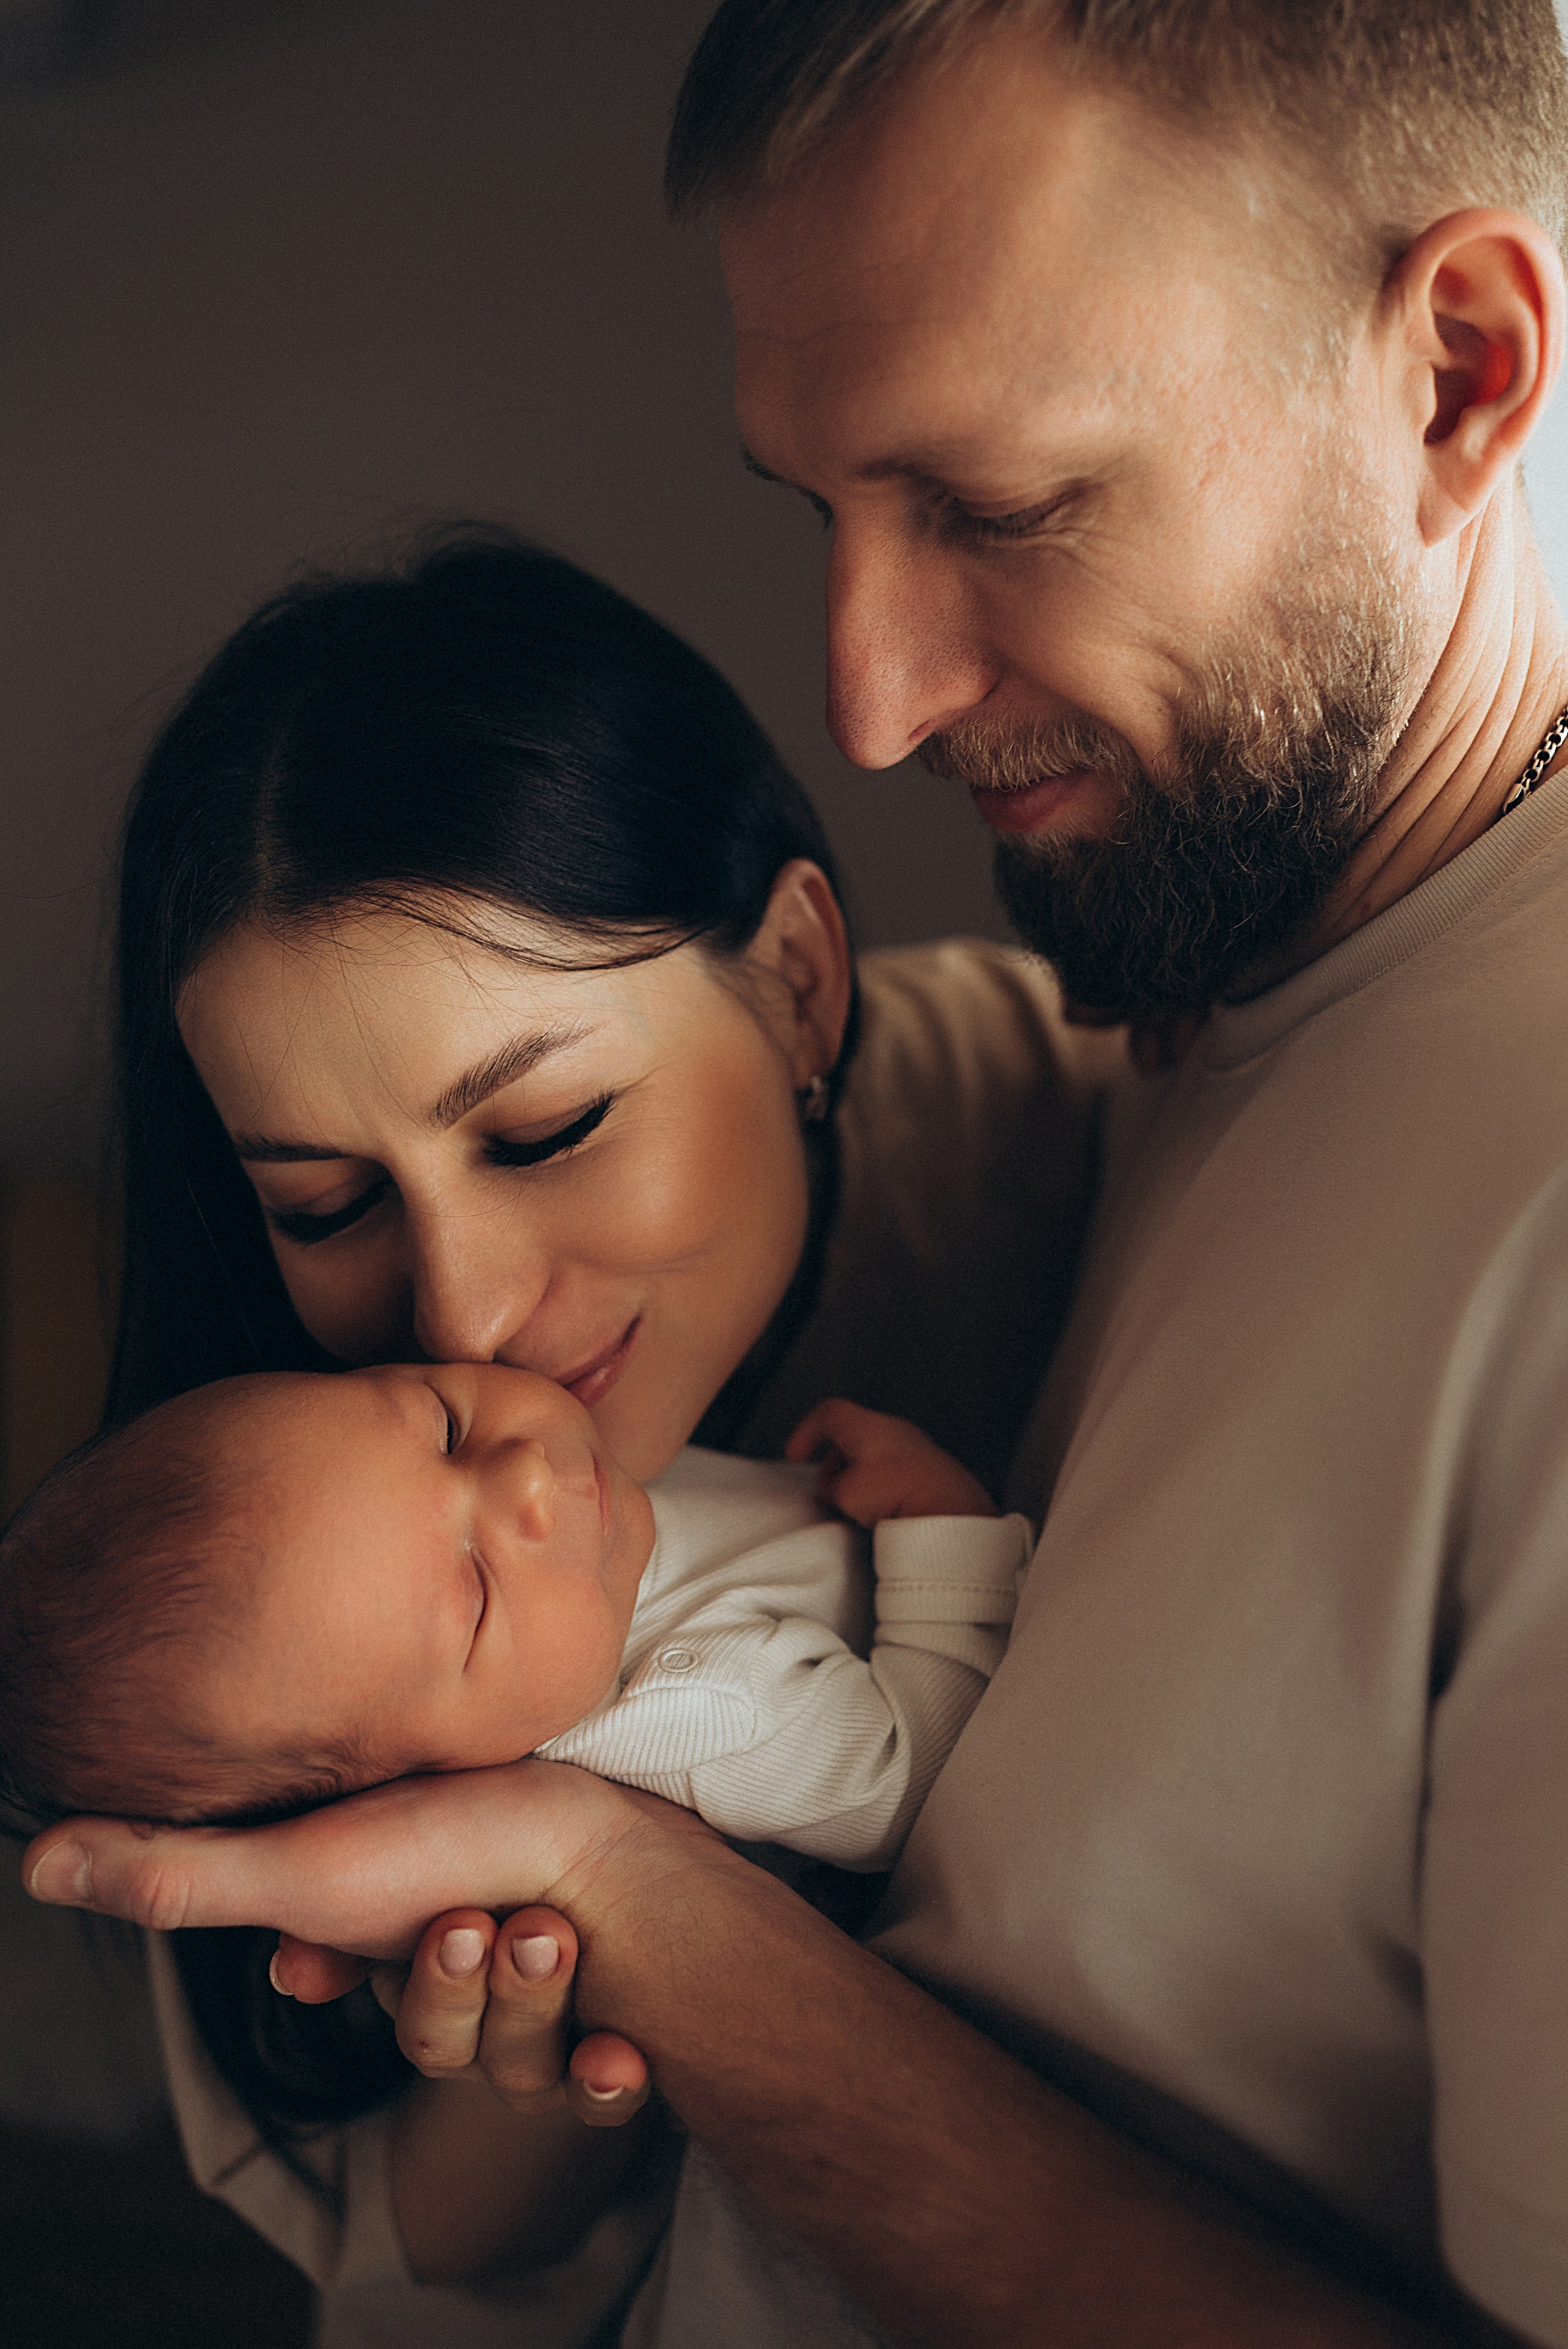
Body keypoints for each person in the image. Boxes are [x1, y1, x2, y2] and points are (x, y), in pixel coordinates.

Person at [28, 0, 1568, 2342]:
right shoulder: (1197, 1003)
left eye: (1002, 503)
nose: (861, 700)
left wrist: (621, 1894)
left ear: (1460, 369)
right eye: (822, 511)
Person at [14, 522, 1104, 2342]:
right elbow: (403, 2248)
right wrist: (553, 2018)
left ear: (803, 983)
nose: (463, 1315)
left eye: (541, 1132)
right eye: (323, 1203)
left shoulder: (1094, 1146)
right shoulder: (263, 1530)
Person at [0, 1360, 1027, 1863]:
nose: (529, 1476)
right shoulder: (696, 1710)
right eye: (478, 1588)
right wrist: (940, 1530)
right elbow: (912, 1784)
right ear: (432, 1776)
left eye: (445, 1424)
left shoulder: (592, 1548)